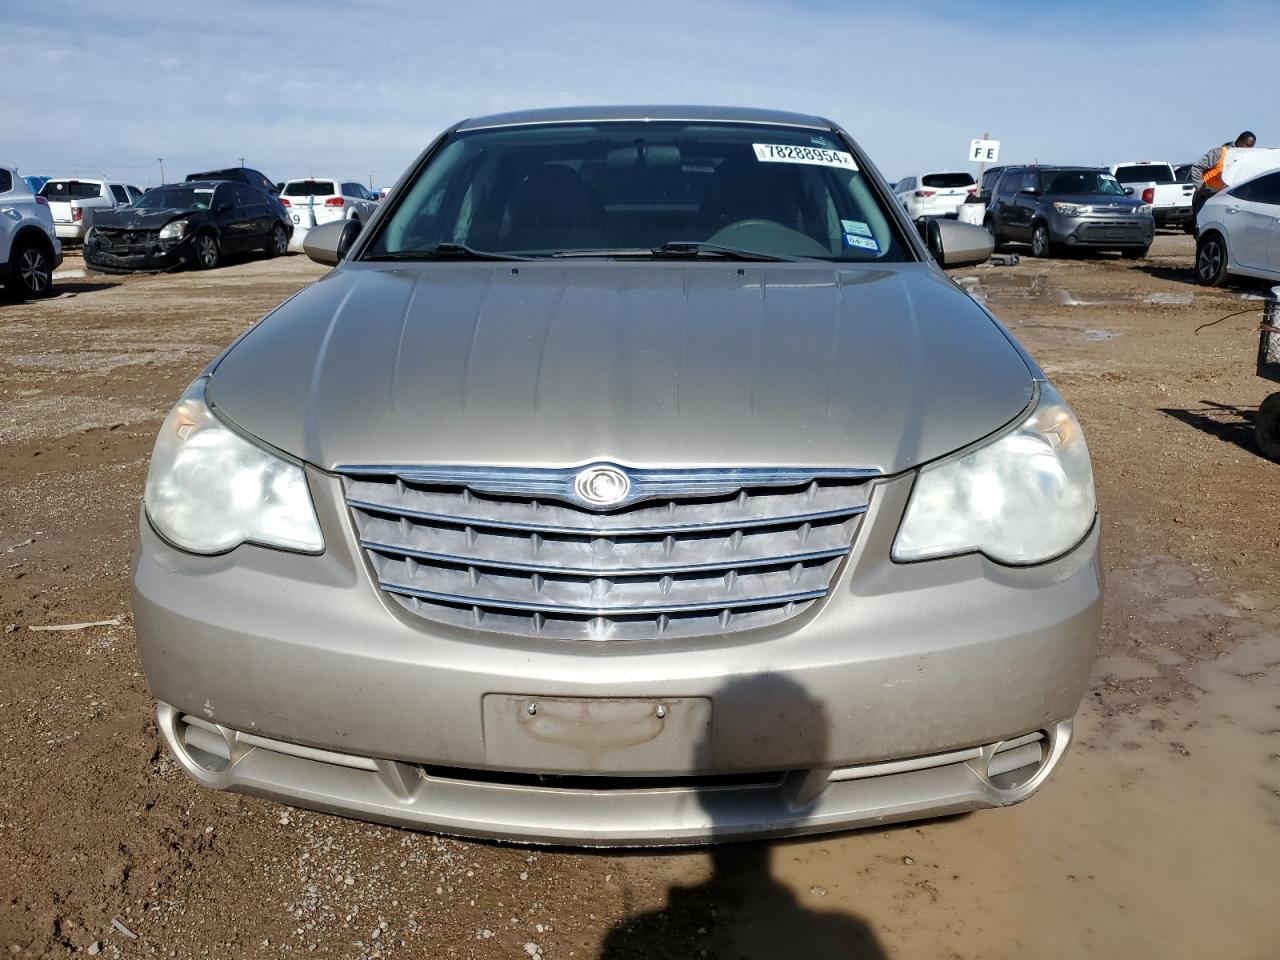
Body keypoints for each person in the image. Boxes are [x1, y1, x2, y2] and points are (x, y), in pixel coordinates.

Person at [1190, 131, 1256, 219]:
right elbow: (1196, 168)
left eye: (1252, 146)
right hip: (1205, 196)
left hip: (1223, 198)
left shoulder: (1243, 159)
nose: (1250, 149)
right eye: (1248, 145)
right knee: (1200, 227)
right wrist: (1200, 188)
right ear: (1240, 141)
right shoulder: (1219, 153)